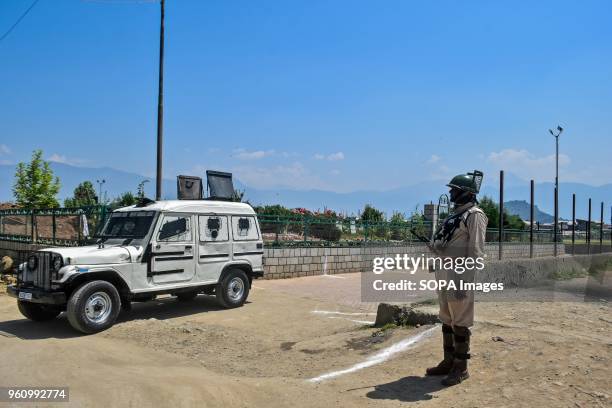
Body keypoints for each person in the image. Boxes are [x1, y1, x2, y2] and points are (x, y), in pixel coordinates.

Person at [425, 171, 488, 386]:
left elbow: (476, 251)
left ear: (466, 193)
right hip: (444, 273)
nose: (451, 193)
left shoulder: (474, 215)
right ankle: (448, 361)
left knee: (460, 321)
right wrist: (436, 248)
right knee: (447, 318)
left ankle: (461, 368)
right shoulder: (454, 216)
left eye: (455, 190)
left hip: (459, 276)